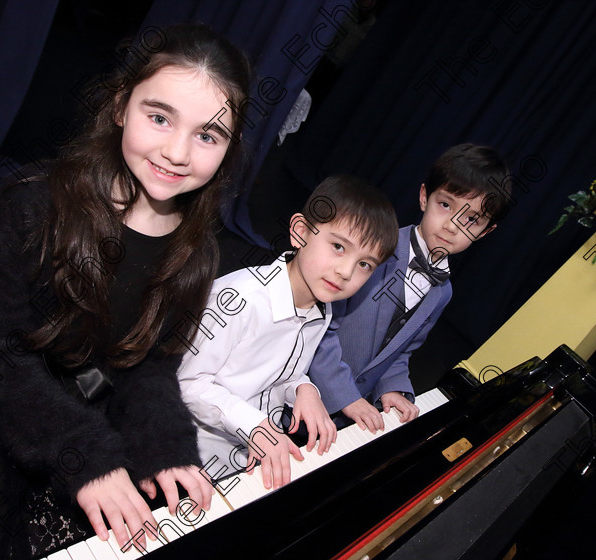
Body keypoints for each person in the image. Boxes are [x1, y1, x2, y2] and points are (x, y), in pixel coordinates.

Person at [0, 23, 251, 559]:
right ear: (121, 105)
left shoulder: (198, 252)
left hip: (84, 419)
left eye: (207, 135)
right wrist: (81, 453)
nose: (176, 151)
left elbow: (149, 365)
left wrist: (164, 448)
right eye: (160, 117)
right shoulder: (33, 202)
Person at [177, 175, 398, 491]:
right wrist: (256, 426)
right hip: (193, 459)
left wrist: (304, 389)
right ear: (300, 232)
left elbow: (282, 373)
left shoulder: (322, 308)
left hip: (252, 460)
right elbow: (187, 383)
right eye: (338, 247)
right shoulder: (243, 300)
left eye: (364, 265)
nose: (346, 272)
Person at [308, 144, 510, 433]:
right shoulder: (372, 252)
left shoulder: (443, 293)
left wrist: (391, 389)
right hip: (298, 388)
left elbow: (399, 352)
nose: (453, 226)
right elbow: (320, 324)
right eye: (445, 205)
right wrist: (345, 396)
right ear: (424, 196)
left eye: (471, 219)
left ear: (486, 232)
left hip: (345, 419)